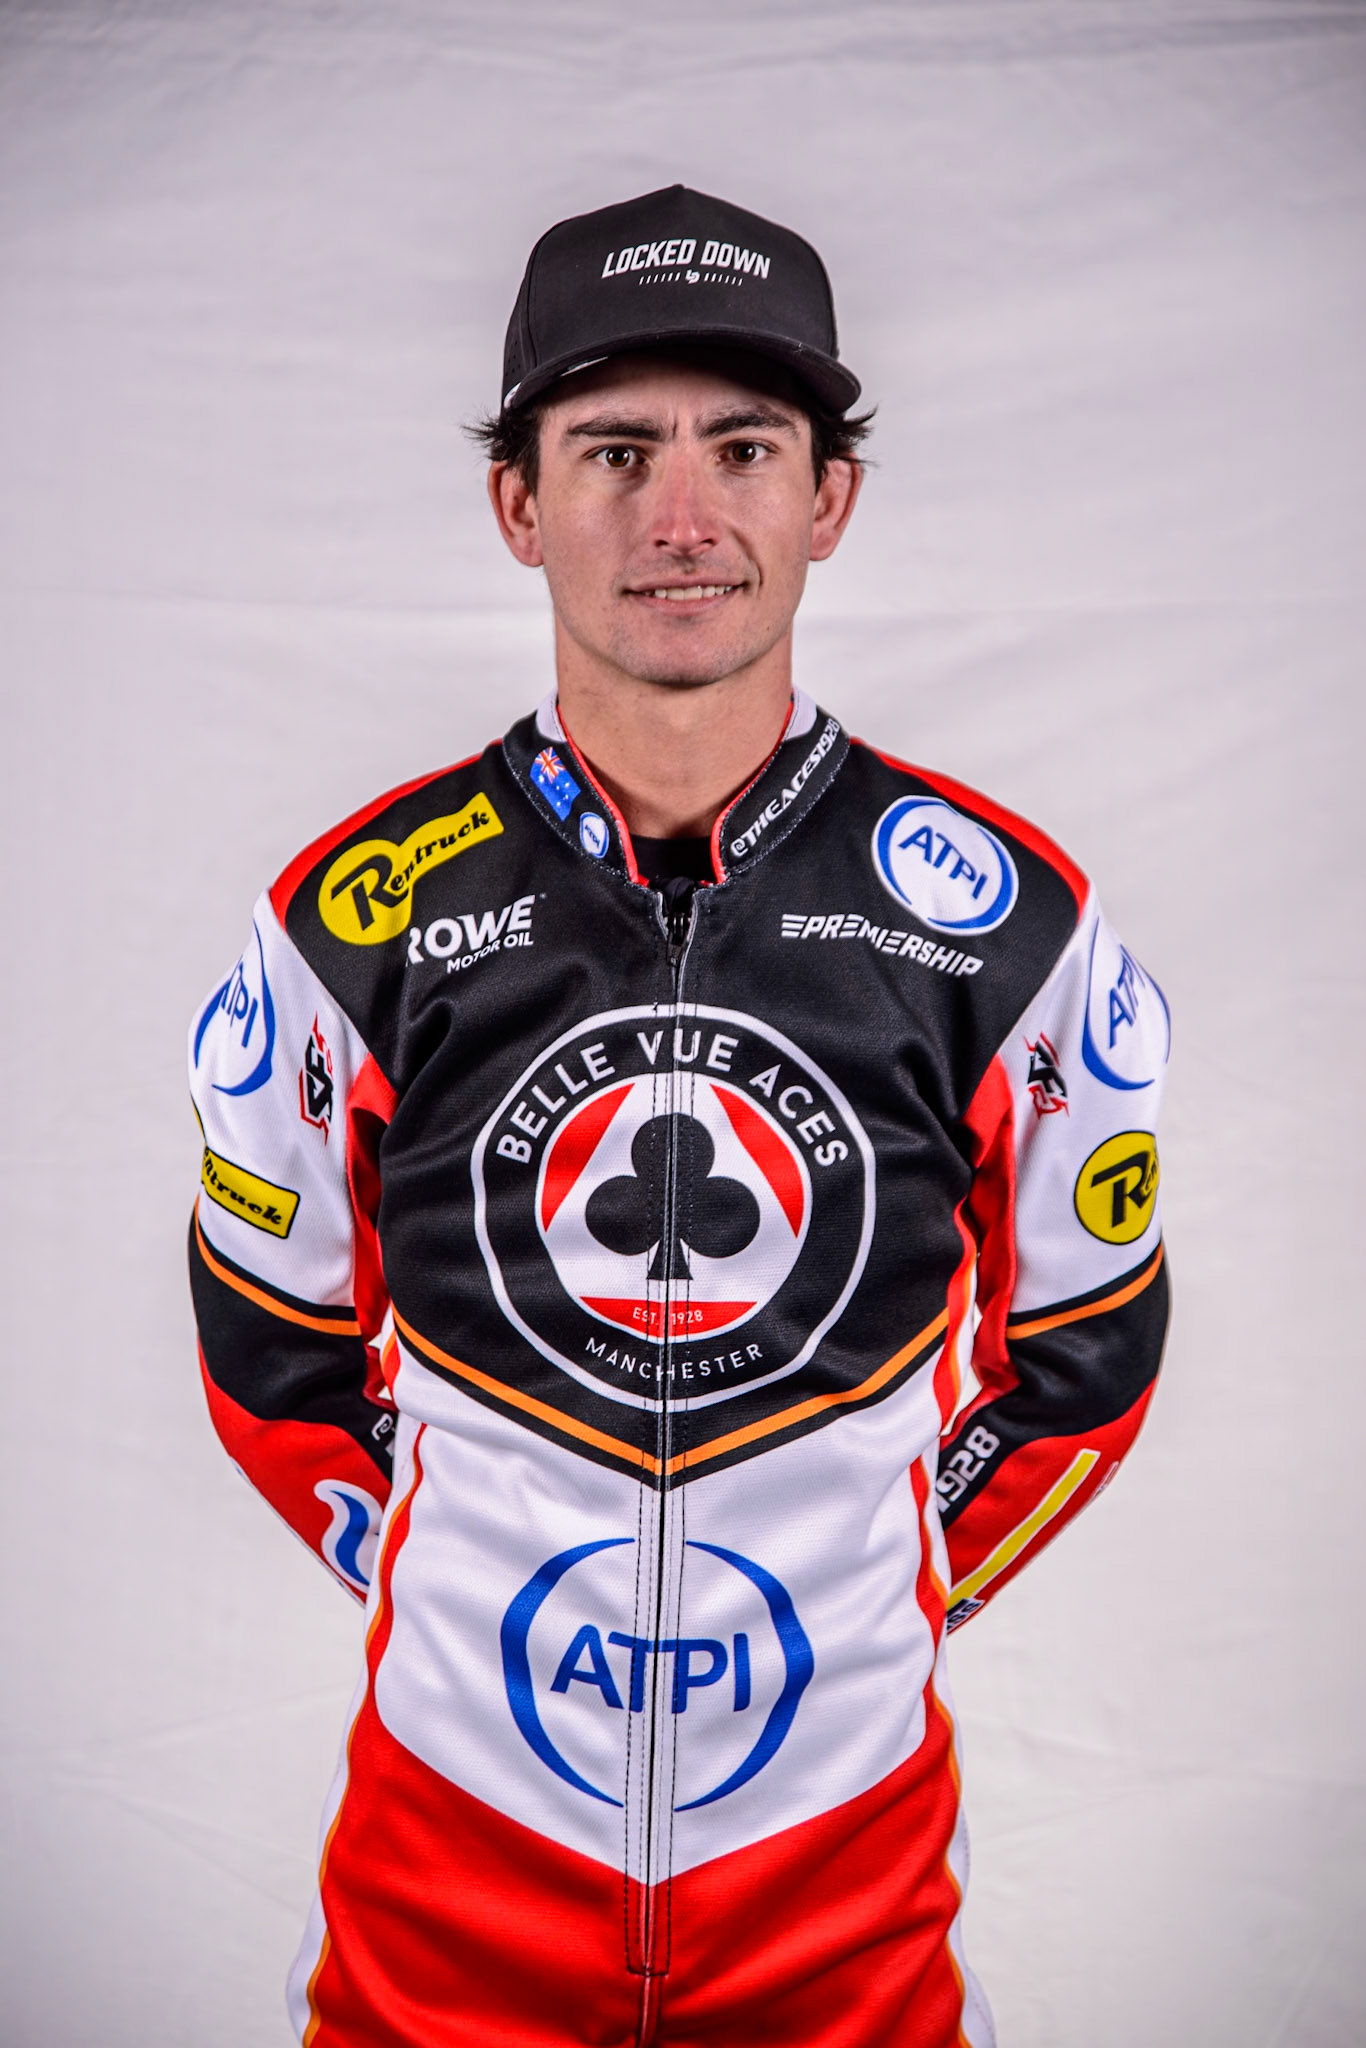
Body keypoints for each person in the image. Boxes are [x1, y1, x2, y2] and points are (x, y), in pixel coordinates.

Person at [187, 185, 1170, 2048]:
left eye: (742, 448)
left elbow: (1085, 1359)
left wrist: (885, 1563)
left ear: (830, 500)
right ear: (517, 503)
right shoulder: (346, 918)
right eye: (613, 451)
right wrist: (449, 1578)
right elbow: (270, 1352)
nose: (681, 517)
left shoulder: (1010, 930)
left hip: (845, 1891)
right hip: (442, 1883)